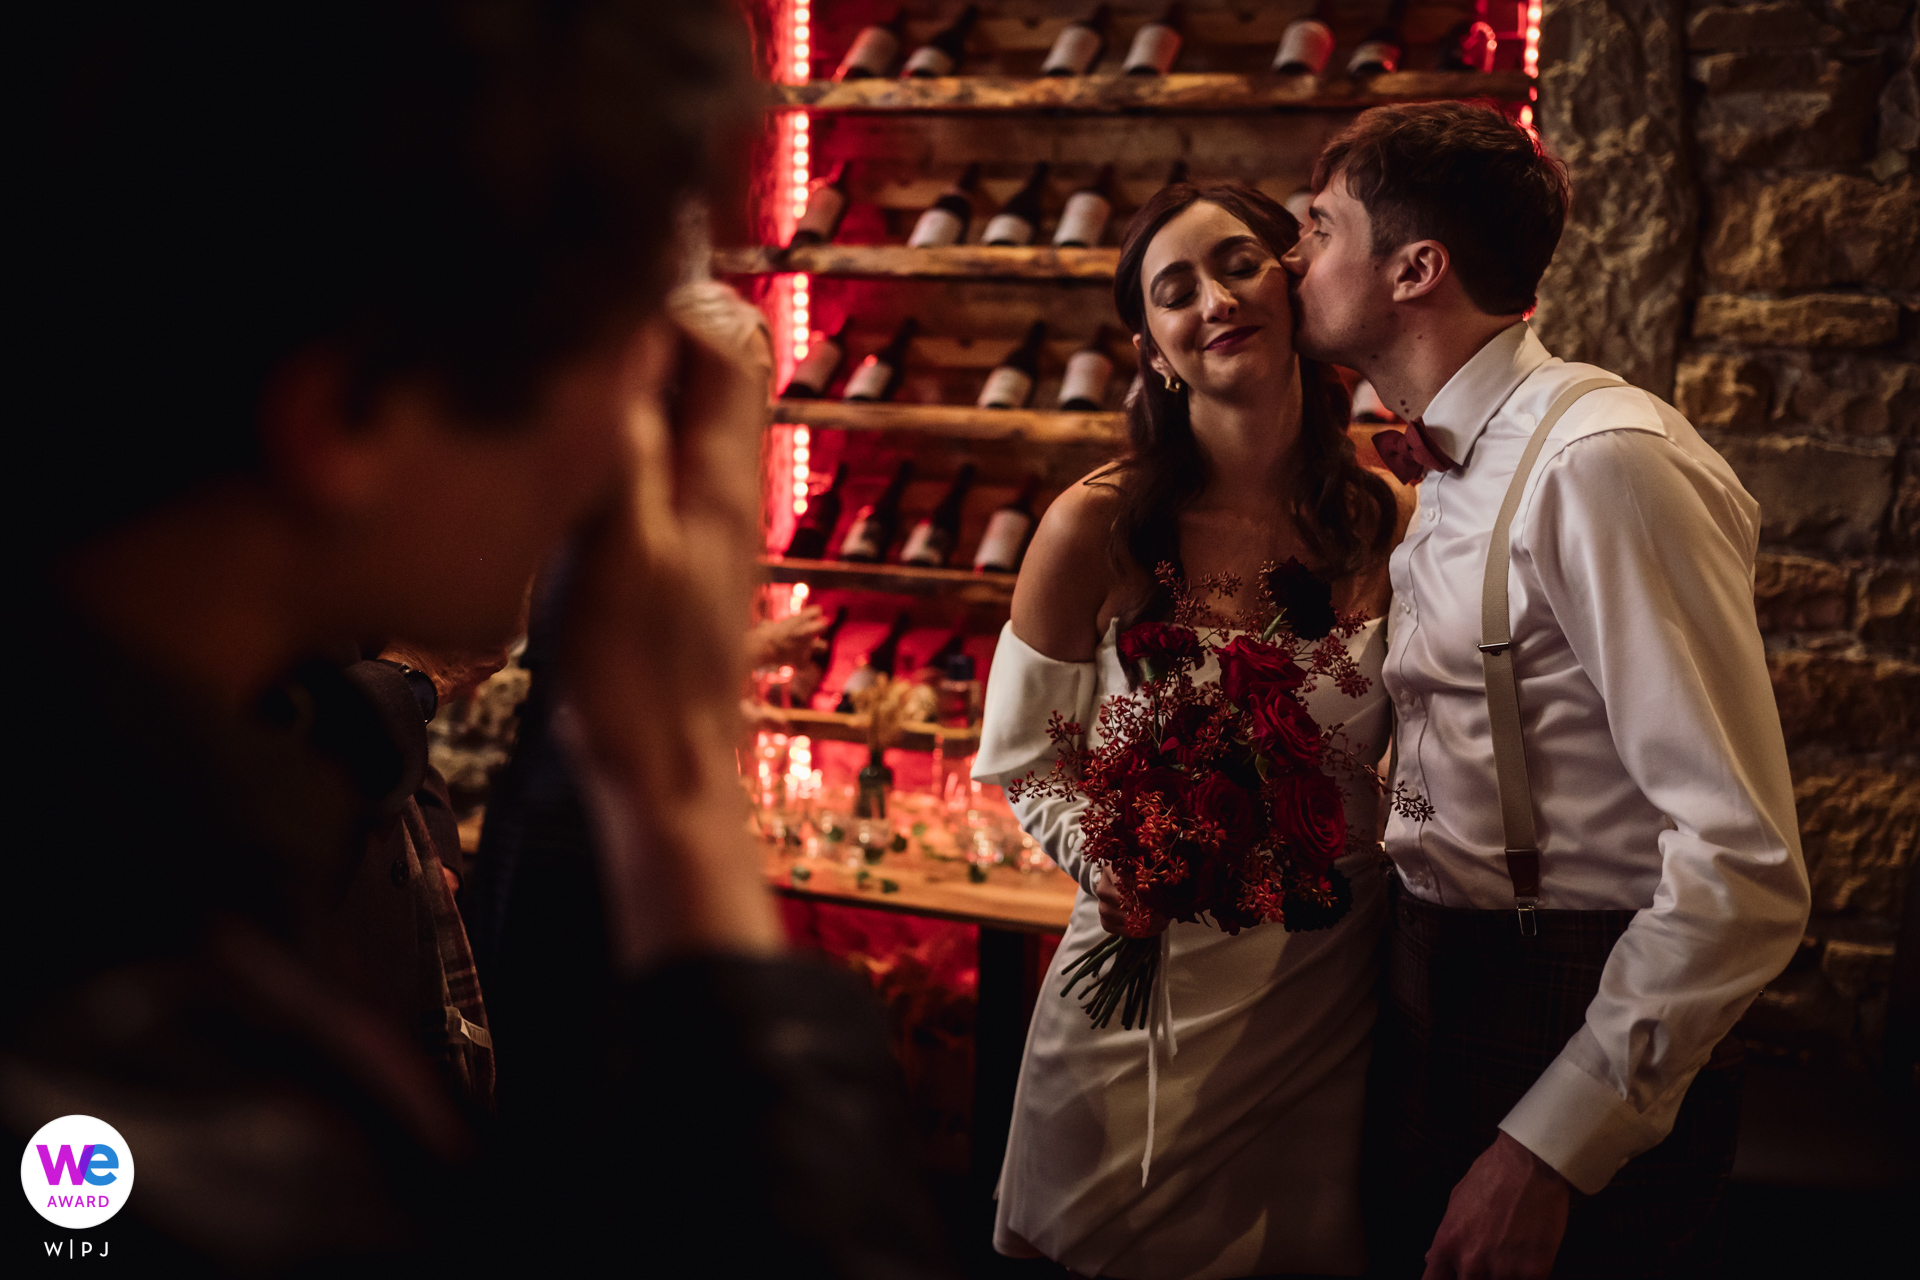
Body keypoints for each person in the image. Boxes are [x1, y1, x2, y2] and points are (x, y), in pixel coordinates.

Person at [5, 3, 953, 1273]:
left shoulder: (224, 798)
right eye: (624, 338)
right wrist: (673, 792)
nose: (642, 418)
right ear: (352, 413)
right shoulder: (163, 1101)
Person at [1280, 102, 1810, 1279]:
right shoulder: (1442, 462)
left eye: (1319, 227)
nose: (1291, 259)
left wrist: (1552, 1144)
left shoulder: (1601, 461)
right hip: (1430, 984)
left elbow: (1745, 864)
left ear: (1417, 267)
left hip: (1567, 1002)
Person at [970, 182, 1413, 1278]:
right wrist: (1108, 853)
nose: (1213, 298)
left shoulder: (1390, 519)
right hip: (1140, 998)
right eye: (1177, 291)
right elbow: (1029, 755)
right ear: (1154, 348)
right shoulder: (1097, 525)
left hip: (1321, 996)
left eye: (1237, 264)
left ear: (1296, 286)